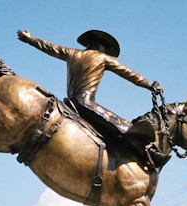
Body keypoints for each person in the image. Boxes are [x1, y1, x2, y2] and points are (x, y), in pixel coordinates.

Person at [17, 29, 169, 168]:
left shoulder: (72, 53)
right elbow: (129, 74)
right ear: (101, 46)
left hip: (70, 101)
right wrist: (149, 85)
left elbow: (49, 47)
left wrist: (30, 39)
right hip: (85, 103)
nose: (107, 53)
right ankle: (148, 153)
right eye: (107, 49)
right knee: (126, 127)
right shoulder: (102, 58)